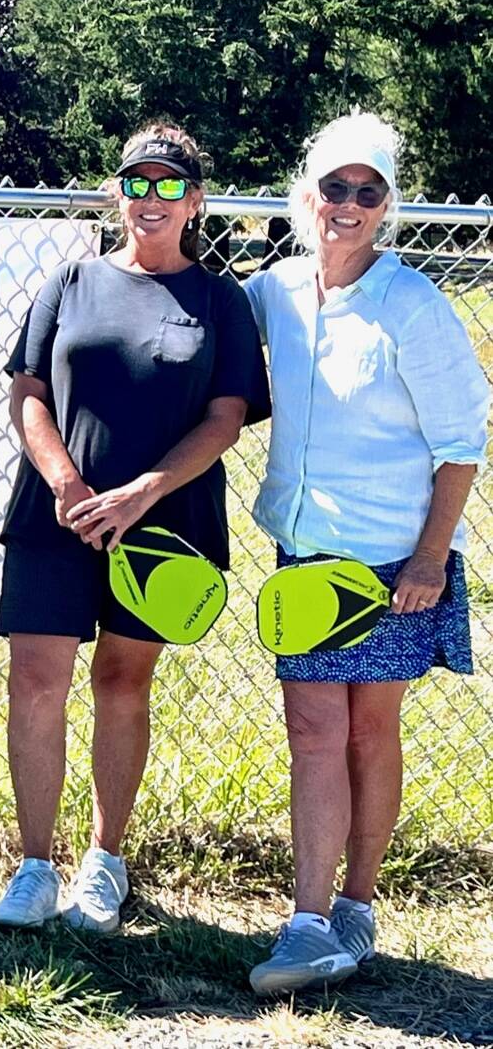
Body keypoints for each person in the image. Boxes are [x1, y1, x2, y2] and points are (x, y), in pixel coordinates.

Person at [0, 123, 271, 932]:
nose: (152, 199)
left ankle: (104, 864)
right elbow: (29, 394)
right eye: (137, 183)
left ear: (196, 201)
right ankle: (35, 867)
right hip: (58, 518)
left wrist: (143, 492)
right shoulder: (70, 281)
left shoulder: (220, 299)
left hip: (164, 527)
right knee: (37, 682)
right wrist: (67, 482)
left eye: (170, 185)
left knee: (122, 682)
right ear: (118, 193)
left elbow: (226, 418)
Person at [243, 113, 486, 994]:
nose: (347, 205)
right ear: (305, 194)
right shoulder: (272, 292)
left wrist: (430, 559)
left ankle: (358, 902)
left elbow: (462, 441)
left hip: (393, 568)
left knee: (367, 733)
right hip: (306, 558)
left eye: (367, 191)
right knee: (313, 729)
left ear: (387, 206)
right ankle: (307, 923)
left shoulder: (411, 304)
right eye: (333, 187)